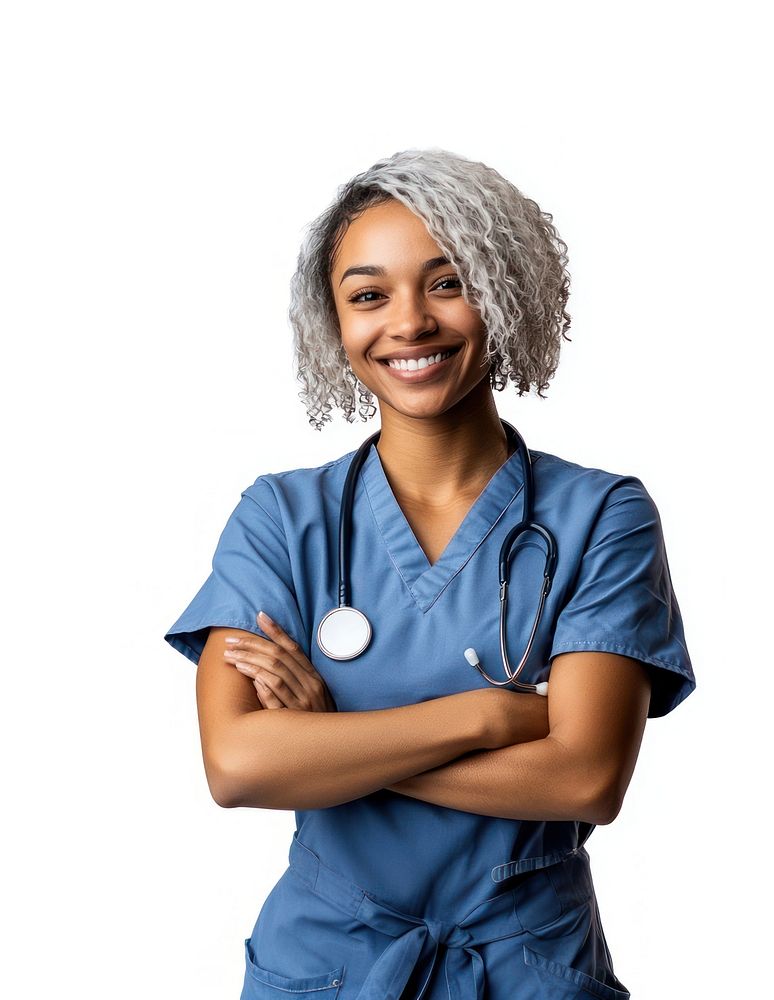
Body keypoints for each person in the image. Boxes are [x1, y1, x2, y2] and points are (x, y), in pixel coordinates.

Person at [164, 148, 696, 1000]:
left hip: (526, 967)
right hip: (327, 965)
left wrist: (334, 734)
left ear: (505, 291)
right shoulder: (280, 518)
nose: (409, 323)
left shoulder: (602, 516)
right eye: (368, 295)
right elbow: (239, 765)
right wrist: (493, 715)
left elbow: (587, 777)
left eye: (448, 282)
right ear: (333, 325)